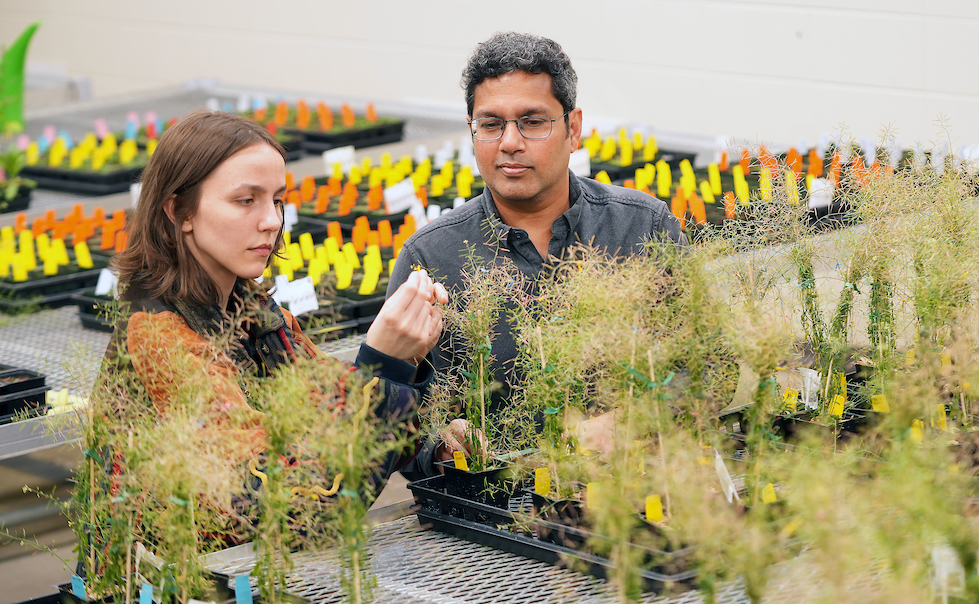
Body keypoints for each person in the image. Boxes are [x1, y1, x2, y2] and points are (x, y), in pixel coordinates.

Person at [106, 110, 472, 510]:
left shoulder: (254, 311)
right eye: (246, 200)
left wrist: (434, 439)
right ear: (179, 211)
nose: (271, 220)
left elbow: (327, 412)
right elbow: (296, 509)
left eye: (277, 200)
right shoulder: (158, 337)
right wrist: (380, 365)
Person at [385, 32, 687, 407]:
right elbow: (395, 410)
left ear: (572, 130)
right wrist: (442, 444)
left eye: (532, 122)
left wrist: (632, 423)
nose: (510, 142)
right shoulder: (430, 259)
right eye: (491, 124)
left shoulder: (643, 229)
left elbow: (706, 365)